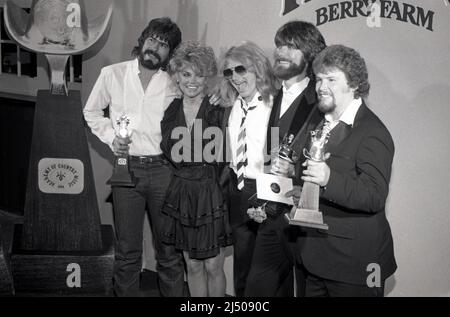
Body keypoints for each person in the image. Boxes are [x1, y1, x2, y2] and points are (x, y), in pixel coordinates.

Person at [83, 17, 186, 297]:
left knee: (169, 252)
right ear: (142, 40)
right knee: (127, 252)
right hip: (124, 170)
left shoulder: (175, 84)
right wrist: (110, 137)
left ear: (170, 53)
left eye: (164, 45)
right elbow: (91, 112)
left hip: (164, 172)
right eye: (152, 39)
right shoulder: (111, 74)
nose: (155, 47)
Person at [287, 45, 397, 297]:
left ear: (355, 84)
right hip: (316, 258)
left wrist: (328, 178)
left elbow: (374, 196)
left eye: (331, 79)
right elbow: (311, 175)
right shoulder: (320, 123)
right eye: (319, 79)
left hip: (356, 265)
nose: (321, 86)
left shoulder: (373, 133)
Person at [244, 21, 326, 297]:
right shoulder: (277, 94)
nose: (281, 51)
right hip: (273, 216)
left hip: (306, 220)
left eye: (291, 46)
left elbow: (331, 160)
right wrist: (262, 203)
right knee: (258, 289)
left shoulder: (322, 100)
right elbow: (273, 157)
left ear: (310, 55)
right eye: (280, 44)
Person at [159, 41, 233, 297]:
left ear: (208, 78)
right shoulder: (170, 111)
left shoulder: (218, 109)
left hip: (211, 190)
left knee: (213, 265)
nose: (192, 81)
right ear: (177, 76)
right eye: (186, 74)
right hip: (183, 192)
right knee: (191, 263)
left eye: (200, 75)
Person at [219, 41, 279, 296]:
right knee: (242, 267)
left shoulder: (274, 106)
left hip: (264, 189)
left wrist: (270, 199)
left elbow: (279, 156)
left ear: (258, 68)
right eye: (229, 72)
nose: (235, 77)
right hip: (238, 189)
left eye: (241, 69)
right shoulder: (233, 106)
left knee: (264, 271)